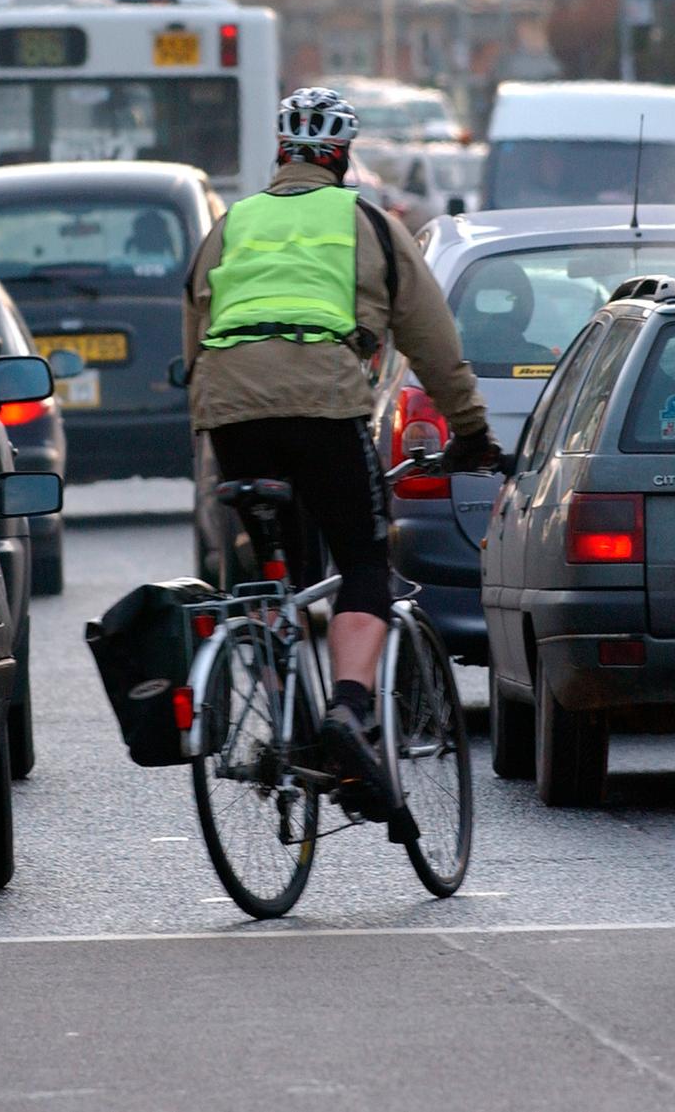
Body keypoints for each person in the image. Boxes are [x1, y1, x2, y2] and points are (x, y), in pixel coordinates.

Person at [183, 86, 495, 812]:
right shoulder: (369, 226)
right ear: (343, 157)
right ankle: (347, 710)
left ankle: (281, 723)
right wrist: (473, 431)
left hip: (231, 412)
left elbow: (194, 333)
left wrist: (209, 435)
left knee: (273, 572)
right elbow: (434, 346)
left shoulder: (232, 225)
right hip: (323, 401)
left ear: (281, 153)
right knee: (361, 560)